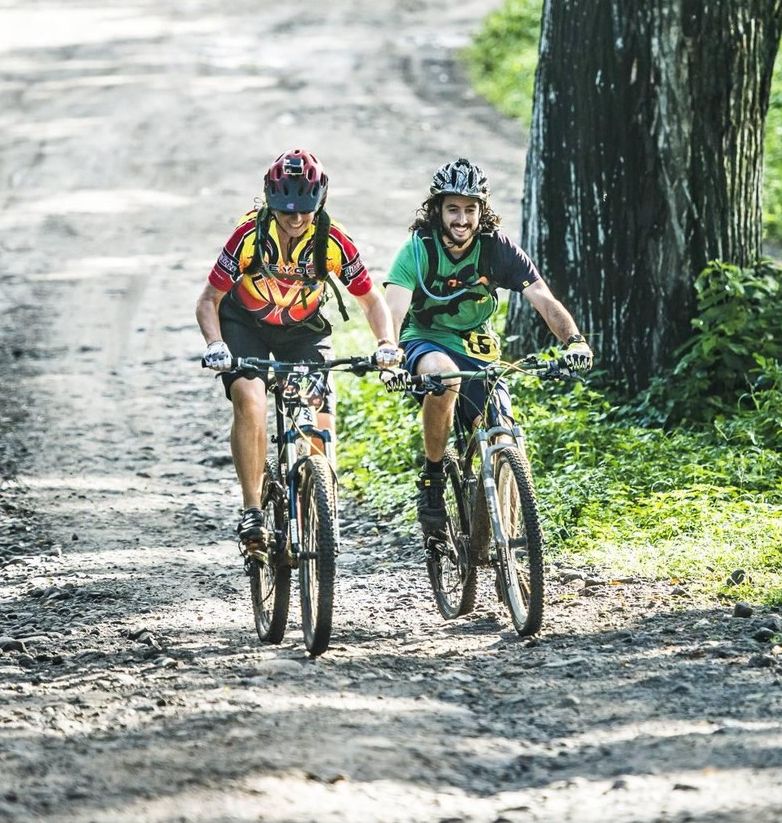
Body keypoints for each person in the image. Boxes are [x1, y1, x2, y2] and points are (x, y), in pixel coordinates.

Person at [197, 149, 403, 554]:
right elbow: (209, 300)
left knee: (318, 413)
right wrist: (216, 345)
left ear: (320, 203)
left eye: (305, 211)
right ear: (270, 203)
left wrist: (386, 344)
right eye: (285, 212)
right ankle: (252, 510)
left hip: (301, 330)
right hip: (245, 326)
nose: (295, 220)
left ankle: (320, 501)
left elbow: (371, 301)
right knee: (250, 399)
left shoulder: (332, 239)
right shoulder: (248, 235)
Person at [382, 157, 593, 536]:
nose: (462, 219)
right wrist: (390, 359)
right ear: (437, 210)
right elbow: (394, 309)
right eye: (453, 209)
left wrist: (574, 341)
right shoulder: (417, 249)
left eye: (470, 209)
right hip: (425, 340)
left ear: (482, 211)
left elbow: (544, 298)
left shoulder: (496, 249)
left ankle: (504, 547)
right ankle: (432, 479)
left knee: (504, 437)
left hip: (477, 348)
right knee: (444, 377)